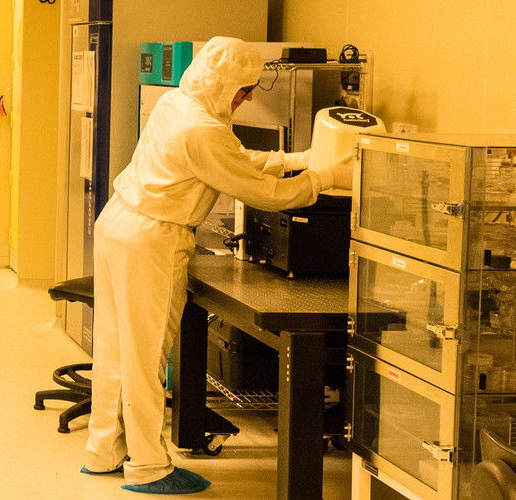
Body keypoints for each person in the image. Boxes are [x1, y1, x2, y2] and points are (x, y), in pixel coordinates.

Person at [81, 37, 353, 494]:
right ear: (223, 84)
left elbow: (232, 157)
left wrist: (299, 159)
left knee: (115, 349)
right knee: (146, 356)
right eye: (243, 91)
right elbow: (264, 193)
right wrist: (323, 178)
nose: (245, 99)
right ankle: (148, 466)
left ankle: (103, 451)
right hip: (151, 239)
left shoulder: (177, 103)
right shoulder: (201, 128)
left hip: (117, 224)